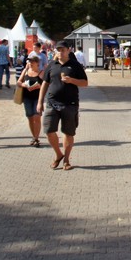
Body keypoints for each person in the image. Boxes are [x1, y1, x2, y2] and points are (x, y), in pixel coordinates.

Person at [38, 41, 88, 170]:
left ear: (68, 50)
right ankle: (58, 154)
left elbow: (85, 83)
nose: (60, 52)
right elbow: (45, 83)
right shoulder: (52, 65)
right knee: (49, 131)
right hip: (52, 103)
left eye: (63, 50)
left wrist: (72, 80)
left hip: (70, 104)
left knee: (68, 132)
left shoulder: (75, 65)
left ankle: (66, 160)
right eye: (58, 50)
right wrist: (40, 101)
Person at [18, 53, 43, 147]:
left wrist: (38, 86)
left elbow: (45, 84)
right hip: (27, 98)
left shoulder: (41, 73)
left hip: (37, 98)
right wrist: (24, 85)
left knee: (37, 117)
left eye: (32, 61)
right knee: (30, 118)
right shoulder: (25, 71)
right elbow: (19, 82)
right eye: (29, 61)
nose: (30, 63)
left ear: (37, 63)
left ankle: (36, 138)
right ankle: (33, 136)